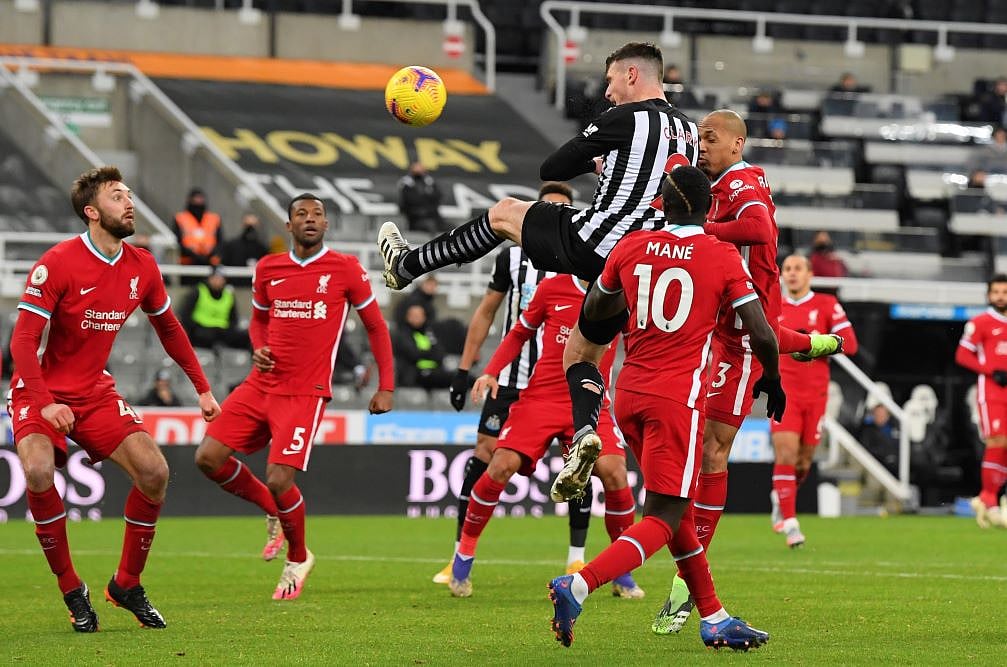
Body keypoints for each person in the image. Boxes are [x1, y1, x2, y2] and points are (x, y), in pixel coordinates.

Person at [547, 165, 780, 651]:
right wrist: (773, 378)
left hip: (627, 391)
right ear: (709, 208)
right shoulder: (720, 255)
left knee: (678, 506)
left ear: (661, 204)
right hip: (677, 400)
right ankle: (579, 584)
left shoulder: (629, 246)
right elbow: (760, 331)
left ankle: (714, 615)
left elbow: (594, 316)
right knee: (665, 515)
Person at [8, 166, 221, 632]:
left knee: (155, 472)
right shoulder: (59, 262)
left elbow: (170, 328)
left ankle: (126, 584)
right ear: (92, 212)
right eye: (116, 196)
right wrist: (44, 402)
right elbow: (23, 342)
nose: (129, 202)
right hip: (40, 392)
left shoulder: (142, 266)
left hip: (95, 392)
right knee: (40, 470)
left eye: (129, 194)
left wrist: (202, 387)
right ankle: (72, 590)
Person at [193, 193, 395, 600]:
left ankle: (298, 556)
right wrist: (258, 346)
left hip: (305, 391)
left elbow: (376, 327)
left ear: (325, 225)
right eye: (301, 214)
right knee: (207, 458)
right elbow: (258, 320)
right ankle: (271, 507)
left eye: (317, 214)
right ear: (288, 225)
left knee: (279, 476)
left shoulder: (345, 269)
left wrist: (386, 385)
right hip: (261, 383)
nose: (310, 219)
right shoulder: (268, 268)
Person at [378, 41, 700, 293]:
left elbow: (552, 169)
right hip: (650, 257)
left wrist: (592, 162)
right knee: (583, 350)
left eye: (610, 80)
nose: (606, 92)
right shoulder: (689, 131)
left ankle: (408, 265)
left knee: (503, 213)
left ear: (631, 75)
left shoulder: (625, 117)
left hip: (599, 243)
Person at [432, 182, 609, 588]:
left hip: (563, 382)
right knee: (486, 455)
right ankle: (459, 552)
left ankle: (576, 558)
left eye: (561, 211)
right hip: (513, 380)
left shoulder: (588, 263)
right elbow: (487, 313)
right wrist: (466, 369)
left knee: (580, 463)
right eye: (545, 210)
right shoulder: (513, 258)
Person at [452, 273, 642, 599]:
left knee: (614, 472)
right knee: (500, 465)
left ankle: (621, 572)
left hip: (591, 401)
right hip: (541, 399)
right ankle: (463, 556)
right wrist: (491, 370)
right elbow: (518, 333)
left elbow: (641, 346)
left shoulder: (624, 296)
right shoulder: (552, 289)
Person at [769, 254, 859, 548]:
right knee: (785, 454)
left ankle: (780, 496)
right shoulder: (773, 304)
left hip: (816, 395)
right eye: (787, 269)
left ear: (809, 274)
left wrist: (816, 343)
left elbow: (850, 342)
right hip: (784, 393)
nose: (792, 274)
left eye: (798, 269)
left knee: (803, 462)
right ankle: (792, 525)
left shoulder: (826, 304)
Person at [955, 274, 1007, 528]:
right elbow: (963, 354)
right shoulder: (981, 322)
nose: (1000, 296)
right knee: (997, 440)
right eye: (996, 292)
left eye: (1004, 292)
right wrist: (990, 370)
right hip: (992, 392)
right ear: (989, 295)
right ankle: (991, 499)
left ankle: (989, 499)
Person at [179, 266, 250, 351]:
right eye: (215, 278)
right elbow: (185, 315)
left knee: (247, 337)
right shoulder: (198, 291)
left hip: (222, 331)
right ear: (209, 278)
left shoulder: (228, 295)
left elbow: (233, 319)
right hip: (201, 330)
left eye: (221, 279)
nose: (218, 281)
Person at [392, 304, 453, 390]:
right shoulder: (402, 334)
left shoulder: (429, 333)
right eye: (415, 316)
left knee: (459, 378)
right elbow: (414, 354)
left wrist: (425, 352)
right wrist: (431, 352)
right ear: (408, 317)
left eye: (420, 316)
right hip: (413, 375)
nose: (418, 318)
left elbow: (440, 354)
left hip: (434, 371)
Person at [173, 188, 222, 273]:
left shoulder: (214, 218)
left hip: (210, 263)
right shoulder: (180, 218)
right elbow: (177, 241)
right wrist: (194, 255)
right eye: (196, 198)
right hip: (187, 263)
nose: (198, 201)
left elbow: (220, 241)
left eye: (200, 198)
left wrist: (209, 255)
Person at [219, 212, 270, 286]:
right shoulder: (232, 246)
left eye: (253, 225)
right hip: (234, 287)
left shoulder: (262, 248)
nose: (251, 229)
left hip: (254, 289)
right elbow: (224, 265)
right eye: (248, 225)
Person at [397, 161, 445, 233]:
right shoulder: (407, 185)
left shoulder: (430, 183)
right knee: (430, 226)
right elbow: (411, 201)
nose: (419, 174)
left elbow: (438, 197)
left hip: (434, 216)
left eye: (421, 171)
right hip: (416, 219)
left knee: (452, 228)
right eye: (416, 172)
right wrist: (427, 196)